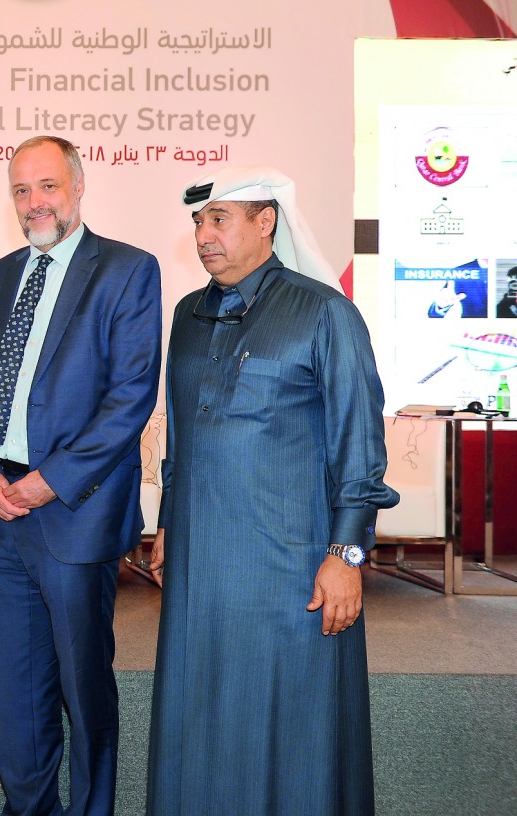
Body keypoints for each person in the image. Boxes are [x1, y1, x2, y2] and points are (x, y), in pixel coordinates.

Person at [146, 166, 400, 816]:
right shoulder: (188, 314)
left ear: (266, 222)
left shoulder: (323, 312)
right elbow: (182, 439)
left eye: (219, 219)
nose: (203, 234)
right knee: (200, 721)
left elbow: (361, 451)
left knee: (294, 732)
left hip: (291, 574)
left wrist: (346, 556)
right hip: (203, 574)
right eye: (198, 220)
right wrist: (171, 523)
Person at [0, 135, 162, 815]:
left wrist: (50, 480)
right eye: (21, 190)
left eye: (47, 186)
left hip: (71, 510)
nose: (34, 202)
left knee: (83, 687)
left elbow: (131, 396)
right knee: (16, 691)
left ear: (78, 187)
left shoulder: (128, 271)